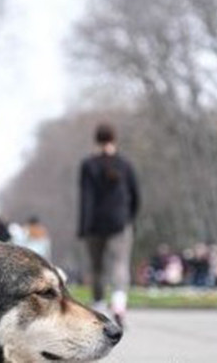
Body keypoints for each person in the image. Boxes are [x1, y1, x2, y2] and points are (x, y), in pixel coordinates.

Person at [78, 122, 139, 327]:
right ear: (114, 139)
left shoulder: (88, 165)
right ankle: (119, 306)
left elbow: (86, 198)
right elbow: (136, 195)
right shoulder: (125, 164)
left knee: (97, 268)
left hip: (94, 224)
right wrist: (129, 218)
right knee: (120, 264)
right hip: (120, 223)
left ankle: (99, 309)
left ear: (96, 139)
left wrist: (83, 227)